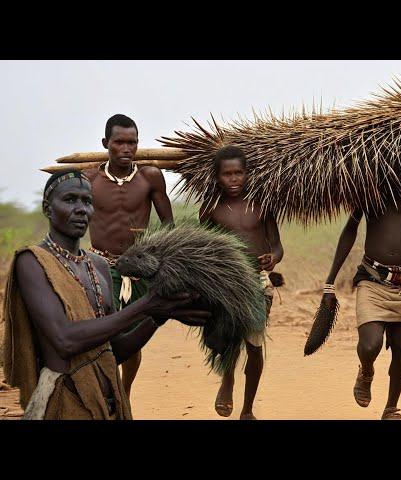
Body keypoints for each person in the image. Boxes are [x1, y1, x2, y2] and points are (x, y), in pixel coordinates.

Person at [2, 170, 208, 419]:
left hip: (108, 401)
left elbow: (114, 351)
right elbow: (65, 341)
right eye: (69, 200)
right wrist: (145, 306)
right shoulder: (34, 262)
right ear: (47, 207)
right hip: (64, 402)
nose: (81, 209)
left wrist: (158, 316)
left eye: (87, 202)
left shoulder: (98, 265)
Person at [322, 173, 401, 420]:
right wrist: (329, 281)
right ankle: (366, 371)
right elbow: (349, 231)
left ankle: (391, 408)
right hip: (372, 278)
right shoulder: (370, 188)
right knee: (370, 345)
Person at [84, 114, 175, 398]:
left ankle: (124, 394)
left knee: (132, 338)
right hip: (99, 266)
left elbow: (168, 226)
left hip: (137, 270)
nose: (126, 148)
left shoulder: (150, 177)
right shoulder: (88, 179)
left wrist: (158, 258)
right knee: (102, 334)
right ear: (105, 144)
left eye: (132, 142)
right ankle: (103, 393)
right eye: (119, 142)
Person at [199, 145, 284, 420]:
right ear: (217, 176)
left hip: (258, 281)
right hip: (228, 283)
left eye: (238, 173)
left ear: (247, 174)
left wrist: (273, 258)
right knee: (229, 337)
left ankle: (247, 409)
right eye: (227, 174)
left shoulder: (262, 204)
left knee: (255, 344)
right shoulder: (210, 210)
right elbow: (205, 249)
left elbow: (277, 246)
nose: (233, 179)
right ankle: (227, 380)